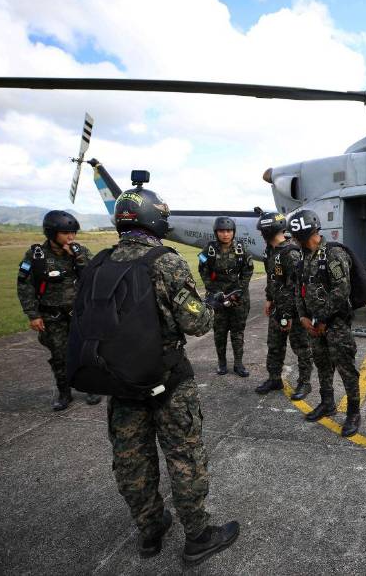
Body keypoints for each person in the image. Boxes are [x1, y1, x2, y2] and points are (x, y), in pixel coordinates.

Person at [107, 186, 239, 564]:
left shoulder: (101, 261)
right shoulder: (166, 261)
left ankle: (150, 532)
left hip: (121, 381)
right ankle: (197, 536)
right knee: (184, 458)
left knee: (133, 459)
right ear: (152, 217)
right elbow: (196, 321)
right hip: (166, 381)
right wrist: (210, 307)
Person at [16, 210, 100, 410]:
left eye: (73, 233)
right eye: (66, 233)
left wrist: (78, 257)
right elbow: (24, 285)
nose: (71, 237)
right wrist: (33, 314)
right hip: (52, 316)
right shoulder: (36, 255)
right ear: (52, 233)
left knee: (85, 352)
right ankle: (64, 393)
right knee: (59, 356)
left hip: (79, 313)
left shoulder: (81, 251)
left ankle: (91, 387)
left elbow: (95, 276)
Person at [291, 209, 362, 437]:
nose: (293, 240)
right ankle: (327, 402)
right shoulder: (303, 257)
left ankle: (353, 412)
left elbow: (342, 291)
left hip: (336, 324)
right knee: (322, 365)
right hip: (313, 324)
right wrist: (303, 316)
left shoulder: (333, 254)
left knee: (346, 368)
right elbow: (298, 290)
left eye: (296, 235)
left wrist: (323, 319)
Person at [255, 212, 313, 398]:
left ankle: (305, 383)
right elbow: (274, 280)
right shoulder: (270, 252)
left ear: (268, 230)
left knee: (301, 348)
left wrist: (287, 315)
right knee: (274, 345)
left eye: (262, 230)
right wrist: (269, 298)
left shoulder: (291, 253)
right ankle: (274, 379)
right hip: (277, 308)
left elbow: (295, 287)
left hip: (294, 311)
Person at [199, 217, 254, 377]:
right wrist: (213, 289)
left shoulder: (241, 249)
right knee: (220, 332)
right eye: (221, 231)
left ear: (233, 232)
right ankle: (221, 363)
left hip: (238, 298)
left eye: (228, 231)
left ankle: (238, 364)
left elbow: (247, 271)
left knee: (238, 332)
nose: (225, 234)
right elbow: (203, 270)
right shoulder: (208, 250)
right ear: (216, 233)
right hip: (217, 298)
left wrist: (239, 291)